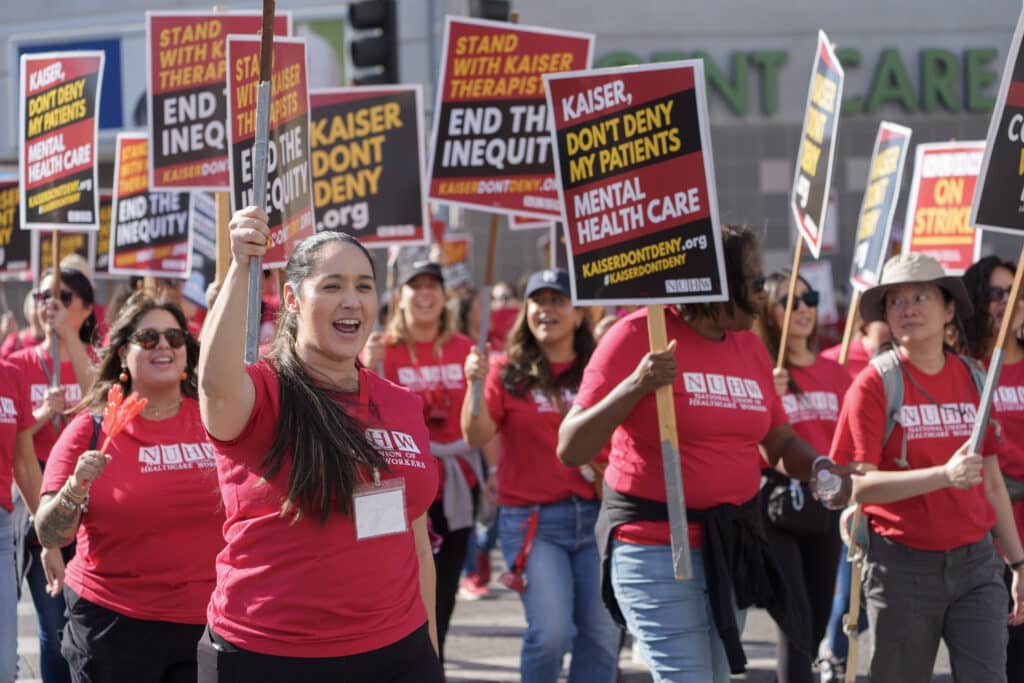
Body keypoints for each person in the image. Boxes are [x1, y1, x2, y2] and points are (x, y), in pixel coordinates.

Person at [557, 224, 849, 683]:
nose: (761, 292)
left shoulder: (751, 349)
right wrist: (637, 385)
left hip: (727, 549)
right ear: (714, 280)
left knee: (711, 675)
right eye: (752, 280)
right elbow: (571, 447)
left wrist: (817, 466)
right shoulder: (637, 334)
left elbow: (777, 441)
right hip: (655, 548)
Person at [197, 206, 442, 682]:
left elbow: (416, 544)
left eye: (363, 286)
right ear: (292, 298)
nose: (351, 300)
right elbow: (214, 384)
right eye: (332, 286)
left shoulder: (400, 403)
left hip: (396, 650)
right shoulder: (263, 393)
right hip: (268, 655)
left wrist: (429, 653)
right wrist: (240, 265)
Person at [830, 252, 1024, 682]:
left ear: (949, 309)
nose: (908, 309)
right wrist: (942, 476)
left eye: (921, 297)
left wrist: (1018, 564)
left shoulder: (974, 378)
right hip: (901, 569)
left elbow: (992, 483)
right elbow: (859, 487)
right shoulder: (874, 384)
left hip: (977, 567)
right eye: (895, 302)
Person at [33, 294, 223, 682]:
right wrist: (76, 487)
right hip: (113, 628)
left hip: (206, 624)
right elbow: (49, 530)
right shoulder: (92, 430)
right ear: (123, 353)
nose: (165, 346)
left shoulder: (217, 421)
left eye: (174, 337)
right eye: (149, 339)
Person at [462, 268, 620, 683]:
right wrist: (473, 387)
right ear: (525, 311)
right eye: (538, 300)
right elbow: (476, 434)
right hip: (535, 523)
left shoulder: (600, 367)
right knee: (550, 634)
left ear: (578, 312)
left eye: (557, 300)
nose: (546, 309)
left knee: (603, 634)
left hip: (599, 518)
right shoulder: (505, 370)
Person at [364, 260, 478, 664]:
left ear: (445, 296)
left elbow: (479, 425)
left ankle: (434, 664)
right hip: (398, 491)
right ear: (401, 296)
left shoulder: (465, 348)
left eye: (434, 285)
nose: (425, 294)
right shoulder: (382, 348)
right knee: (391, 588)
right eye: (416, 286)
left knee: (442, 593)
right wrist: (364, 361)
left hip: (454, 489)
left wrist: (494, 473)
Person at [754, 273, 850, 683]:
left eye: (809, 298)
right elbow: (755, 448)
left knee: (816, 616)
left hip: (827, 507)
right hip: (778, 507)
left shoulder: (836, 372)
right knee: (793, 613)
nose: (803, 309)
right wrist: (764, 396)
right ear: (768, 313)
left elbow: (849, 445)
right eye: (790, 301)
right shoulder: (758, 370)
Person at [8, 267, 98, 683]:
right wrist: (41, 415)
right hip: (38, 494)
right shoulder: (18, 364)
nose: (50, 305)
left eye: (62, 297)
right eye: (44, 297)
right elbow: (13, 441)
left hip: (91, 499)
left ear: (84, 306)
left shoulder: (97, 359)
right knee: (53, 626)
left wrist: (72, 342)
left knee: (88, 630)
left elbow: (104, 409)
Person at [961, 254, 1024, 681]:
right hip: (987, 534)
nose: (1008, 301)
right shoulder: (962, 370)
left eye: (1014, 291)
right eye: (996, 293)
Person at [0, 359, 46, 683]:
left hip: (1, 532)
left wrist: (51, 537)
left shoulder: (11, 375)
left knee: (4, 667)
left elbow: (26, 465)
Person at [821, 316, 890, 379]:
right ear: (867, 325)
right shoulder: (832, 358)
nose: (890, 327)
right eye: (885, 321)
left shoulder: (895, 359)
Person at [0, 292, 45, 358]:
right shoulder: (16, 342)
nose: (39, 312)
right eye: (35, 307)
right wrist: (4, 336)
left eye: (42, 306)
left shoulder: (59, 342)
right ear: (28, 311)